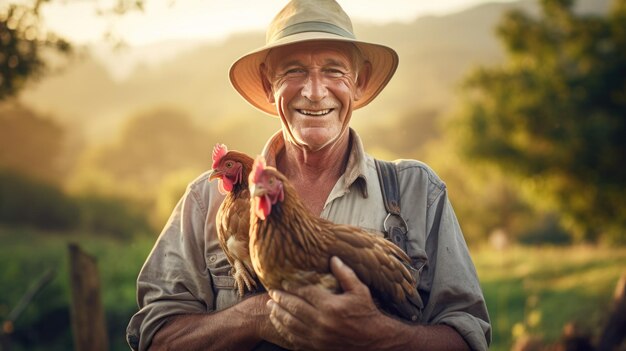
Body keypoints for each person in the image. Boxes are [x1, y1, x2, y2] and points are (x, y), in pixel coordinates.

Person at [126, 0, 491, 350]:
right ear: (270, 86)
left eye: (333, 70)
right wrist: (258, 316)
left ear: (359, 82)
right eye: (294, 70)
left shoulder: (416, 192)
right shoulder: (207, 202)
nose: (315, 93)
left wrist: (377, 336)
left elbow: (469, 336)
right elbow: (154, 339)